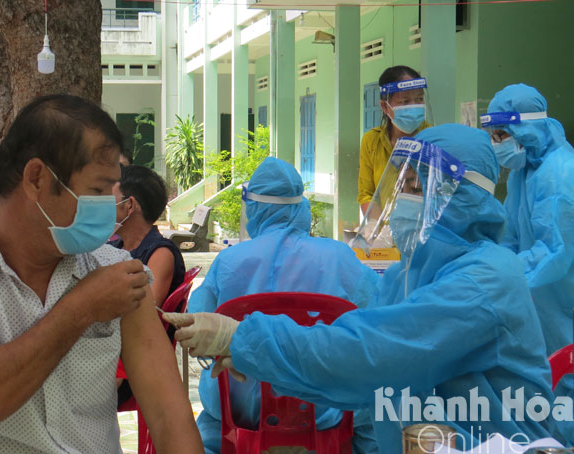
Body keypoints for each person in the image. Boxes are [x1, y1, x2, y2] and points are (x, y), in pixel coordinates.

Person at [166, 125, 573, 451]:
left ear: (461, 197)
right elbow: (361, 350)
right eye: (404, 188)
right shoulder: (408, 273)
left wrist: (243, 339)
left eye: (416, 189)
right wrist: (261, 355)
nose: (405, 203)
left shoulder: (485, 280)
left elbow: (370, 353)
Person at [0, 94, 202, 454]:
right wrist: (82, 308)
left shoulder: (115, 272)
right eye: (98, 190)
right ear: (37, 178)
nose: (108, 206)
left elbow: (169, 416)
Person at [184, 156, 381, 454]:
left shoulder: (228, 262)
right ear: (301, 207)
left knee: (211, 424)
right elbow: (379, 320)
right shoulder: (341, 259)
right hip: (326, 408)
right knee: (373, 415)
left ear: (252, 208)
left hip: (239, 410)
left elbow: (197, 324)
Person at [482, 83, 574, 397]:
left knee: (566, 385)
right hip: (543, 301)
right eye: (493, 136)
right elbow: (512, 236)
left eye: (502, 135)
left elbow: (555, 252)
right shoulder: (525, 171)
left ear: (526, 129)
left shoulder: (559, 173)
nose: (497, 145)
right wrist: (492, 262)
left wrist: (502, 275)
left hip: (563, 301)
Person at [109, 165, 185, 306]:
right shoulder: (115, 247)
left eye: (107, 200)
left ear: (129, 205)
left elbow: (148, 307)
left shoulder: (160, 254)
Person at [358, 65, 430, 215]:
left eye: (419, 99)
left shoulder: (432, 137)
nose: (414, 106)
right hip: (384, 232)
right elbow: (367, 194)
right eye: (405, 101)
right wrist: (375, 230)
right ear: (385, 106)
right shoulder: (371, 141)